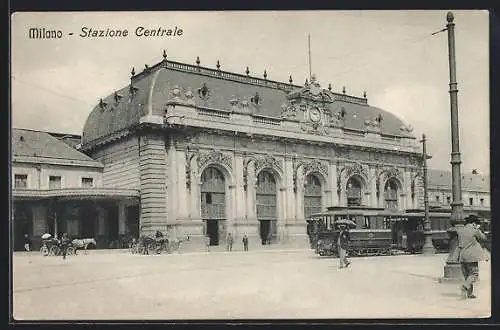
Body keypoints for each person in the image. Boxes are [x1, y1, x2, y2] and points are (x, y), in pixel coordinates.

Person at [457, 215, 487, 299]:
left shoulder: (460, 230)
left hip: (462, 255)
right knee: (474, 274)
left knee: (467, 275)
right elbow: (483, 238)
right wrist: (479, 229)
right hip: (471, 256)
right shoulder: (474, 230)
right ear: (474, 223)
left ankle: (469, 294)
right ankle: (464, 287)